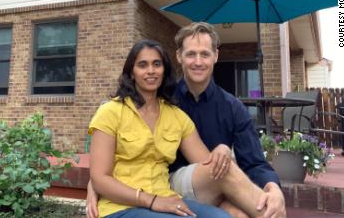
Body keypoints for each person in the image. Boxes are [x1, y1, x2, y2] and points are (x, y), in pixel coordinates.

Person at [88, 39, 269, 218]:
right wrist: (152, 201)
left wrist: (223, 152)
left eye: (156, 64)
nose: (151, 71)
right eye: (142, 65)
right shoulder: (110, 112)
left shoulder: (176, 116)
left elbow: (210, 168)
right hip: (120, 206)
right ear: (132, 73)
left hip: (167, 198)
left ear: (164, 70)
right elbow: (100, 178)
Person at [168, 22, 286, 218]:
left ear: (216, 55)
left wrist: (273, 188)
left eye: (205, 54)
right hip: (173, 185)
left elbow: (254, 162)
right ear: (179, 56)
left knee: (242, 215)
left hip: (219, 187)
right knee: (226, 169)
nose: (198, 61)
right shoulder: (164, 99)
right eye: (191, 54)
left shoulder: (232, 107)